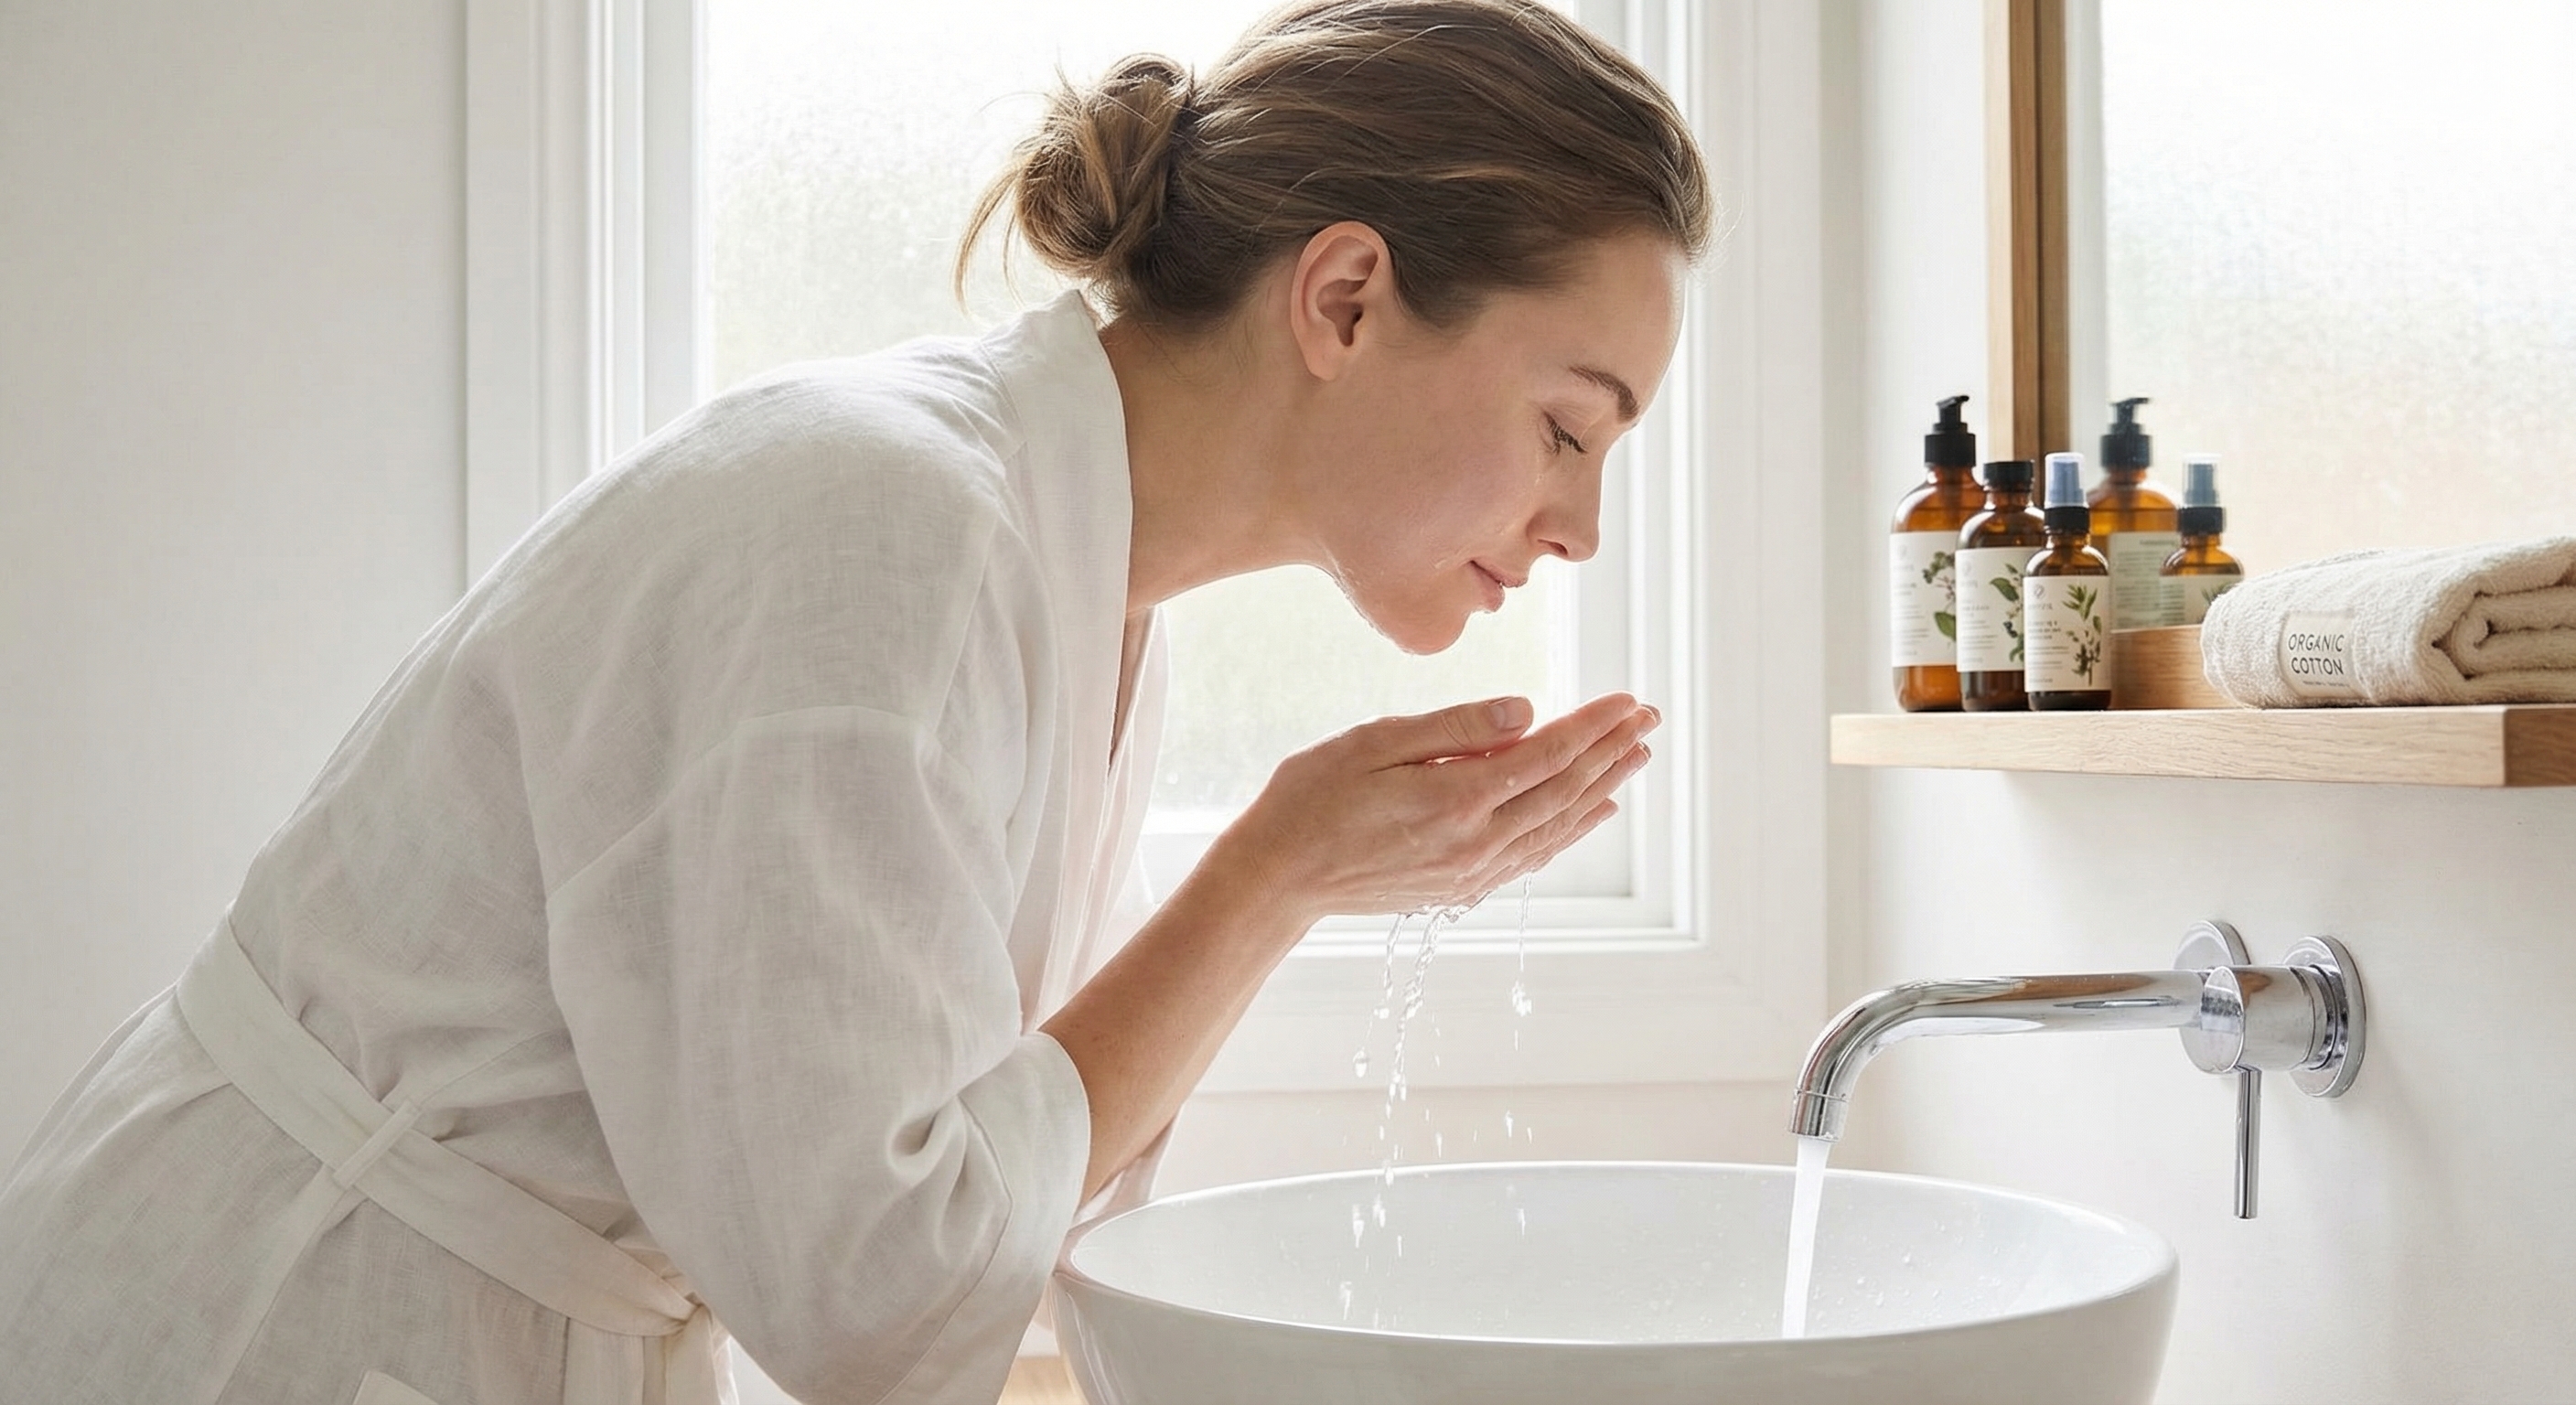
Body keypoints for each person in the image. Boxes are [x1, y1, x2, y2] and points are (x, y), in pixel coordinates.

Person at [0, 1, 1710, 1401]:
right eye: (1568, 427)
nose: (1580, 528)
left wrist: (1291, 877)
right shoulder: (879, 527)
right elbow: (874, 1300)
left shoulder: (1084, 590)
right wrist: (1274, 873)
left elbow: (1004, 1184)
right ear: (1343, 300)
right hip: (272, 1329)